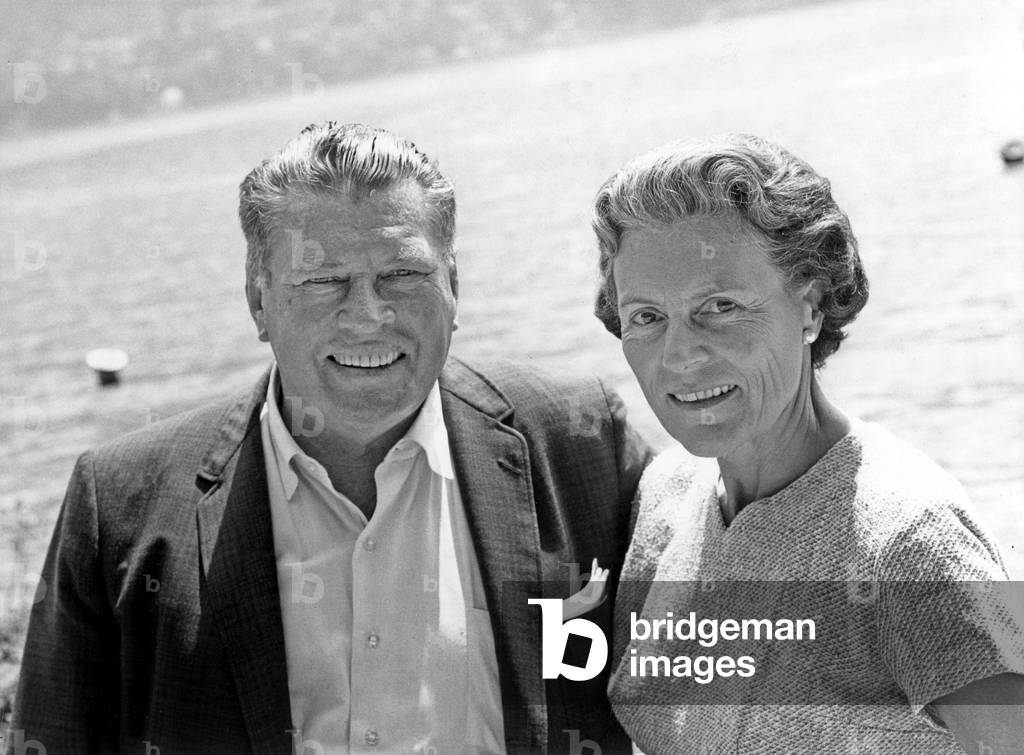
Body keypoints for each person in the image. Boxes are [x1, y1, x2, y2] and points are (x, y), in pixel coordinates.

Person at [7, 122, 650, 754]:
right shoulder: (119, 502)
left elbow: (720, 667)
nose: (369, 315)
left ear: (455, 284)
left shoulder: (579, 441)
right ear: (258, 302)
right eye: (322, 281)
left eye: (402, 275)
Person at [590, 134, 1024, 753]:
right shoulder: (666, 496)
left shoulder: (904, 540)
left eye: (720, 305)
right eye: (647, 317)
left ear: (811, 307)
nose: (680, 356)